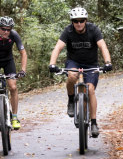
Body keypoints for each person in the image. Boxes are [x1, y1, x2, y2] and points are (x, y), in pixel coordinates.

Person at [48, 7, 112, 137]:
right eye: (75, 21)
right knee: (72, 75)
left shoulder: (93, 30)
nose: (79, 24)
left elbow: (102, 46)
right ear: (72, 22)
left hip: (91, 64)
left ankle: (93, 122)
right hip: (74, 62)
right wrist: (52, 63)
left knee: (90, 90)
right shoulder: (68, 31)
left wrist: (108, 62)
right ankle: (71, 100)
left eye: (81, 21)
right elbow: (58, 47)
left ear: (85, 21)